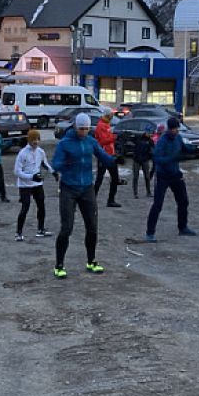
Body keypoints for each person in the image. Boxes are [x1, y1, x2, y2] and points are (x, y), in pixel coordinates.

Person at [51, 112, 115, 278]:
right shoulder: (65, 144)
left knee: (92, 227)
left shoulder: (90, 141)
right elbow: (55, 164)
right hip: (69, 189)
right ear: (75, 127)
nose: (84, 132)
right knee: (67, 228)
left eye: (86, 129)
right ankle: (59, 265)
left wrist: (114, 160)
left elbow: (103, 156)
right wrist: (65, 164)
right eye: (81, 129)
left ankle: (91, 261)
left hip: (87, 188)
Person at [145, 117, 197, 242]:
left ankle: (183, 227)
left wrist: (195, 148)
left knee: (183, 201)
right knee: (158, 204)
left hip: (175, 174)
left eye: (177, 129)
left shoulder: (178, 138)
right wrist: (172, 158)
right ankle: (150, 233)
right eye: (174, 129)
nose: (176, 131)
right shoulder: (162, 141)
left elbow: (185, 149)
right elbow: (157, 159)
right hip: (163, 176)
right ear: (169, 128)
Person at [14, 129, 57, 241]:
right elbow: (17, 171)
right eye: (33, 140)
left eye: (37, 139)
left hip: (37, 183)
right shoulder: (22, 153)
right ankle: (18, 232)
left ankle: (41, 229)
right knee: (25, 207)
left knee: (41, 206)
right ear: (29, 140)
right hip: (25, 185)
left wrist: (53, 172)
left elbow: (45, 164)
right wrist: (30, 177)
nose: (36, 142)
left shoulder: (40, 152)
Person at [92, 113, 122, 207]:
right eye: (111, 116)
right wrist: (114, 137)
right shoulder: (101, 125)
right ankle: (92, 200)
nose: (112, 118)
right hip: (103, 155)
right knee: (99, 179)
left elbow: (107, 139)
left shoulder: (106, 124)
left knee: (115, 178)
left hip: (110, 154)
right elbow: (102, 141)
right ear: (107, 116)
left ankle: (111, 200)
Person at [132, 126, 154, 199]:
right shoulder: (138, 138)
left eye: (150, 133)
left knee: (147, 177)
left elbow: (152, 151)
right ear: (145, 132)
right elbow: (132, 142)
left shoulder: (150, 141)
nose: (149, 134)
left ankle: (148, 192)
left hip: (145, 160)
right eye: (148, 132)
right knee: (135, 177)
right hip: (136, 160)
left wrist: (151, 156)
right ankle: (135, 193)